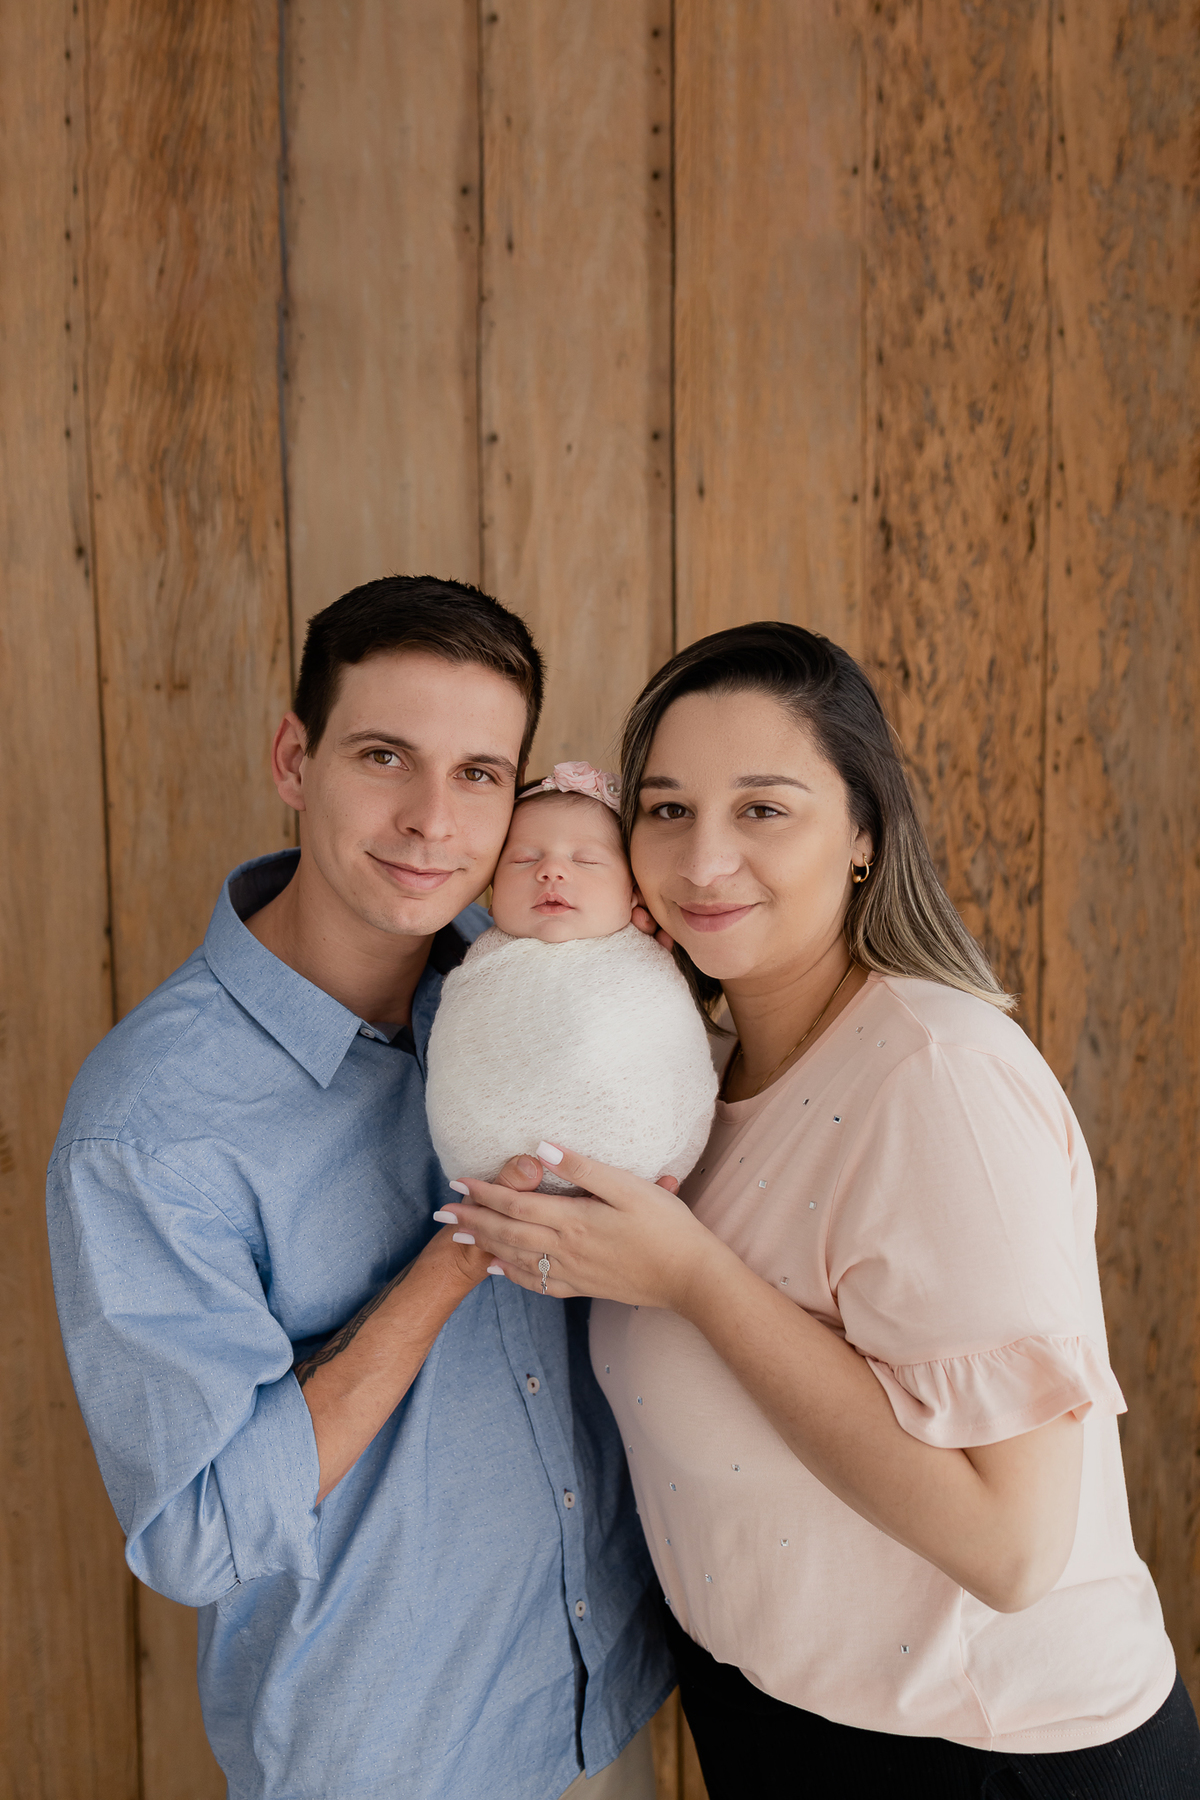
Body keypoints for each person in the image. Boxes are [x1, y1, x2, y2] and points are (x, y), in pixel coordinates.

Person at [443, 622, 1200, 1798]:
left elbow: (1012, 1551)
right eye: (667, 809)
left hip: (987, 1759)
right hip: (772, 1723)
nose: (703, 860)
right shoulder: (691, 1089)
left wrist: (694, 1280)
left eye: (763, 809)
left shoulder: (935, 1077)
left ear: (862, 834)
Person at [46, 577, 669, 1800]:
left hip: (603, 1703)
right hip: (395, 1759)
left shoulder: (535, 988)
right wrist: (462, 1252)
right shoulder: (148, 1128)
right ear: (296, 759)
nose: (433, 821)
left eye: (479, 774)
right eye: (386, 756)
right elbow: (201, 1534)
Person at [425, 760, 716, 1200]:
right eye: (524, 858)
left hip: (635, 1183)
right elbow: (459, 1055)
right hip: (493, 1180)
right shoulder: (481, 968)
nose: (551, 871)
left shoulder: (646, 970)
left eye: (586, 860)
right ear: (491, 894)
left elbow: (673, 1060)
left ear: (634, 892)